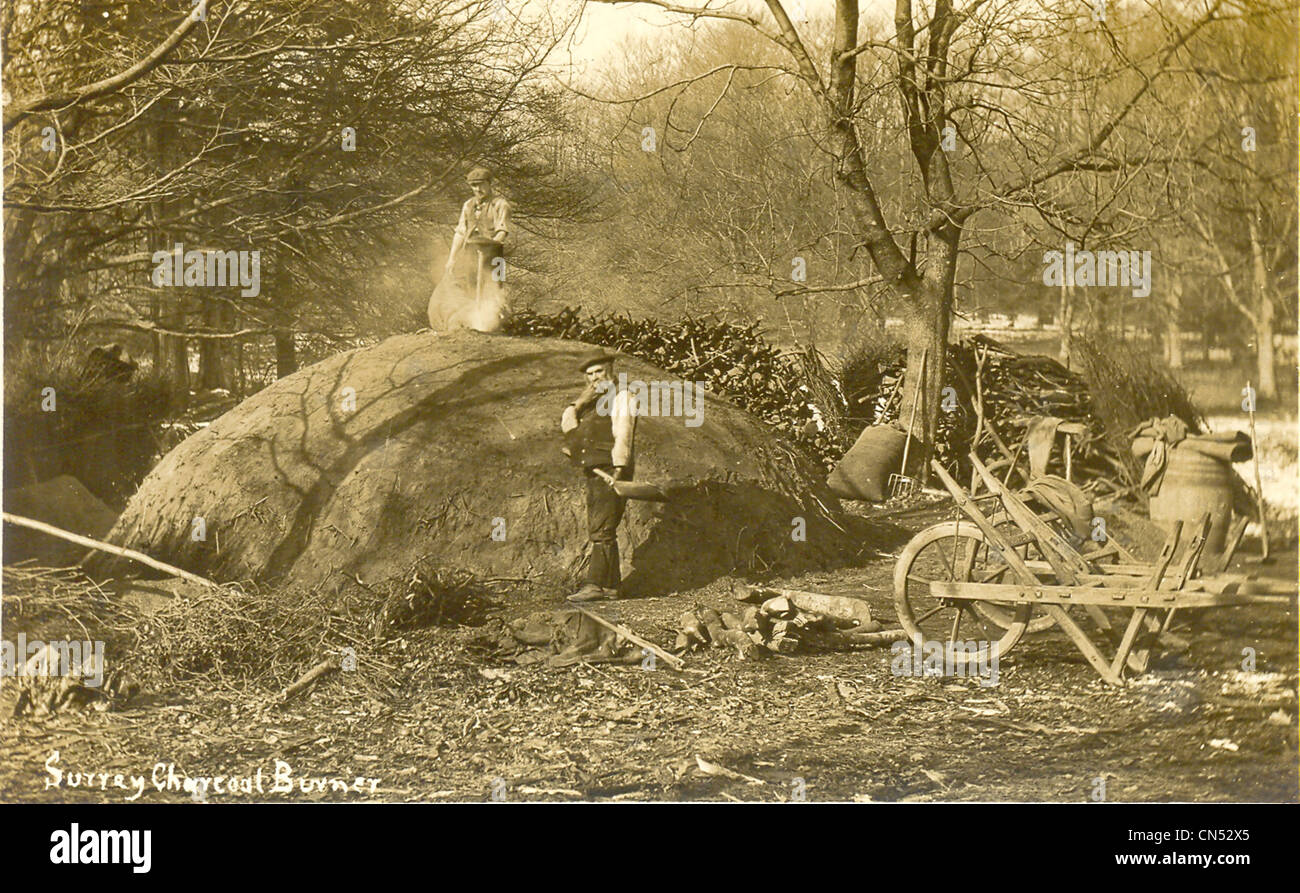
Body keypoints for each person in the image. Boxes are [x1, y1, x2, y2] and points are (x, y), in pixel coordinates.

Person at [560, 351, 639, 602]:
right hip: (595, 469)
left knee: (601, 527)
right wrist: (578, 403)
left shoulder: (622, 396)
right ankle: (612, 587)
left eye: (599, 372)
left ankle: (594, 585)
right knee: (603, 525)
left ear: (611, 371)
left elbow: (623, 432)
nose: (595, 378)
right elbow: (567, 427)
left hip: (611, 469)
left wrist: (618, 468)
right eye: (590, 374)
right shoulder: (591, 405)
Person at [431, 167, 512, 332]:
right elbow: (460, 232)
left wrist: (490, 246)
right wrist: (452, 258)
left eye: (481, 185)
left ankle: (493, 326)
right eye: (474, 186)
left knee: (494, 288)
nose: (478, 189)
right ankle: (471, 325)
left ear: (490, 184)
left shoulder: (500, 205)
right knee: (468, 287)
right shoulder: (468, 205)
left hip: (494, 255)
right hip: (470, 254)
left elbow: (502, 230)